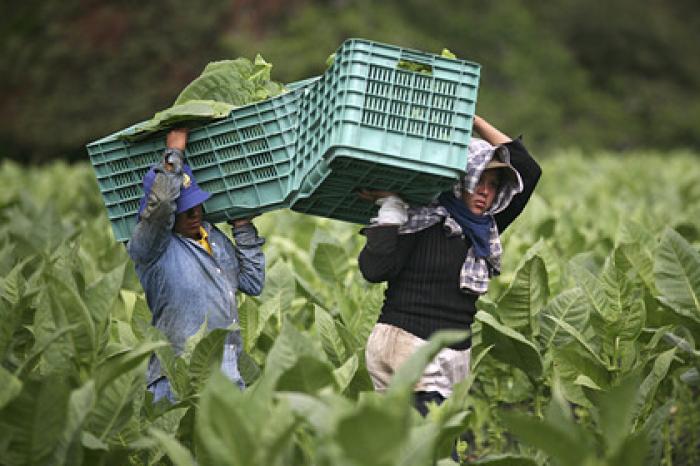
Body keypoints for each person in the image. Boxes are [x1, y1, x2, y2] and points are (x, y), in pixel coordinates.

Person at [357, 115, 542, 416]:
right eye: (478, 180)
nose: (485, 191)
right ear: (461, 179)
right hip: (409, 344)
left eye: (493, 184)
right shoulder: (426, 218)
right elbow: (374, 270)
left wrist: (473, 118)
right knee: (436, 450)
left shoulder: (484, 229)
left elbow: (529, 169)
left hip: (451, 355)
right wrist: (390, 211)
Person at [127, 128, 266, 402]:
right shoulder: (152, 247)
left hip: (227, 370)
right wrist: (174, 152)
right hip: (178, 374)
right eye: (184, 209)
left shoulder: (212, 237)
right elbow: (164, 201)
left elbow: (252, 282)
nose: (193, 215)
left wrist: (243, 227)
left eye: (197, 206)